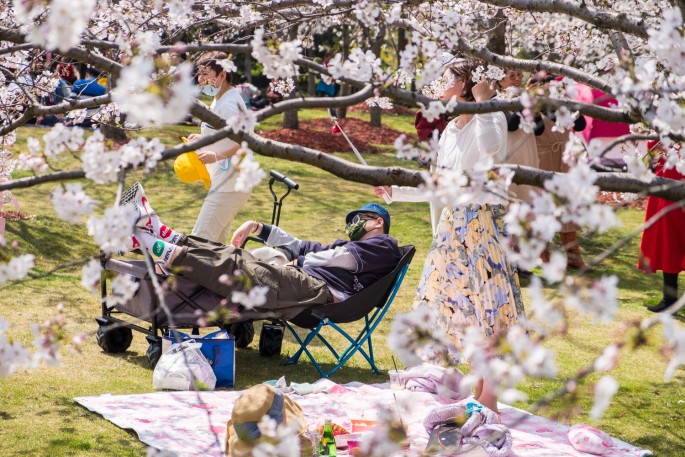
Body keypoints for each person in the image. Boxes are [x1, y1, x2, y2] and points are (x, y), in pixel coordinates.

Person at [399, 59, 525, 413]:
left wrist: (485, 102)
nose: (438, 81)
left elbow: (489, 152)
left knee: (491, 312)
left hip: (484, 226)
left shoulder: (493, 116)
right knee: (464, 311)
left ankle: (490, 397)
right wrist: (394, 191)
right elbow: (438, 184)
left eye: (446, 75)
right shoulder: (451, 128)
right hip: (452, 228)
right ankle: (479, 389)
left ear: (467, 82)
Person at [125, 184, 403, 320]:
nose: (352, 225)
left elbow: (345, 258)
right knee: (235, 257)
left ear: (378, 221)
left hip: (319, 292)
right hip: (304, 281)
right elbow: (302, 245)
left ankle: (146, 237)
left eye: (358, 219)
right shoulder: (349, 245)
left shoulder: (384, 245)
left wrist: (300, 261)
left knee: (240, 269)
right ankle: (161, 233)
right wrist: (258, 227)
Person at [185, 51, 251, 243]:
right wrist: (202, 136)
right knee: (216, 246)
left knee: (200, 241)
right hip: (225, 183)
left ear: (222, 75)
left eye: (206, 73)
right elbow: (224, 132)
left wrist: (217, 156)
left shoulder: (229, 104)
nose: (201, 79)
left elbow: (244, 140)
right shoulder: (221, 98)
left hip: (230, 187)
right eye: (199, 73)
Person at [527, 74, 588, 268]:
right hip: (542, 158)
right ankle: (543, 255)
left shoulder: (562, 102)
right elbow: (535, 129)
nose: (540, 86)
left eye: (544, 83)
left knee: (568, 207)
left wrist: (565, 103)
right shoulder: (528, 106)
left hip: (566, 158)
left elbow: (581, 124)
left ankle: (573, 255)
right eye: (534, 83)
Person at [638, 140, 685, 313]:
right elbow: (653, 147)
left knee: (670, 241)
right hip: (666, 184)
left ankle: (670, 299)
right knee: (669, 242)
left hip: (670, 183)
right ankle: (669, 298)